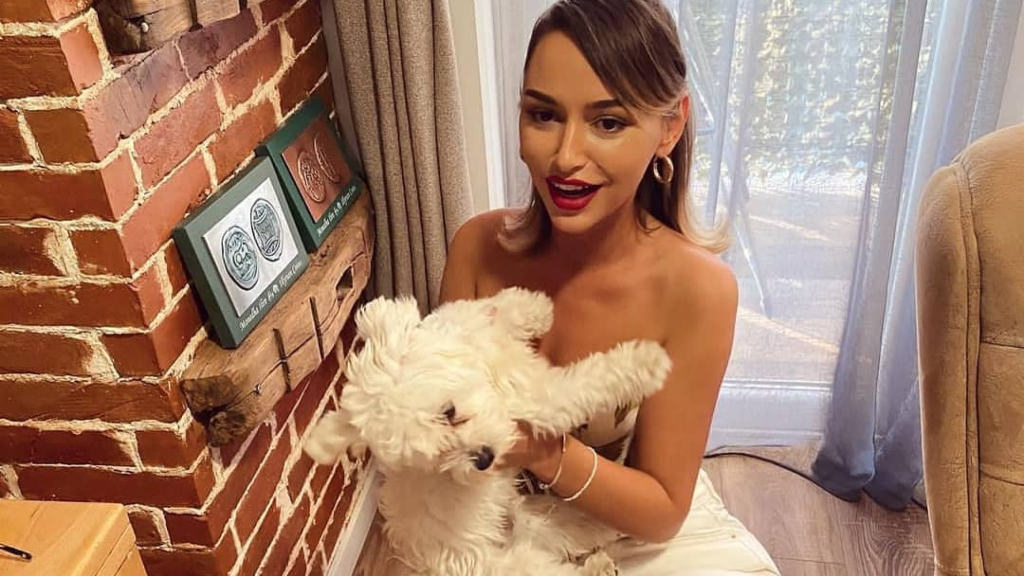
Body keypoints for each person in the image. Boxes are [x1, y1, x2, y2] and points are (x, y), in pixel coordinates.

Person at [439, 0, 780, 574]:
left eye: (608, 123)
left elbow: (662, 510)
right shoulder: (477, 247)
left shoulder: (699, 290)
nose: (565, 157)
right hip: (489, 527)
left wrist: (543, 452)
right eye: (543, 115)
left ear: (669, 127)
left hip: (637, 534)